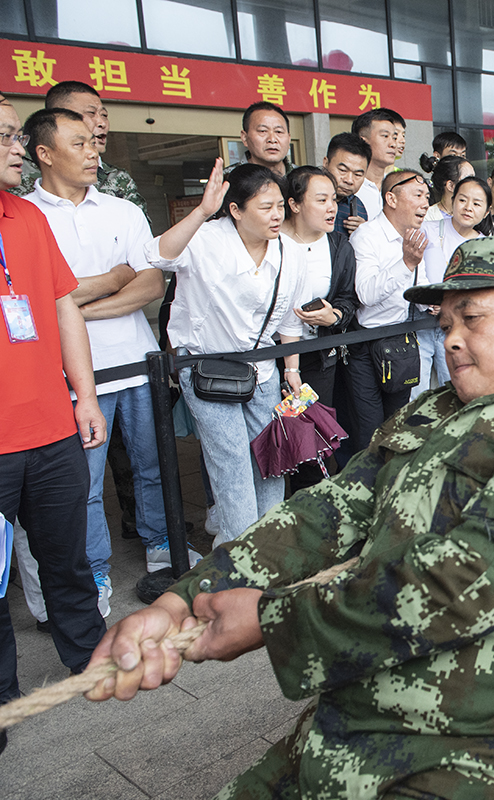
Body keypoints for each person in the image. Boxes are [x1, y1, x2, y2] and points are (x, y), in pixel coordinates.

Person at [86, 237, 494, 799]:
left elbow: (473, 577)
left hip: (473, 752)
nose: (451, 339)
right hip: (349, 715)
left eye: (471, 318)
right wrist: (181, 601)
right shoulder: (436, 410)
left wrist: (271, 620)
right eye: (444, 321)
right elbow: (327, 511)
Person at [23, 107, 184, 617]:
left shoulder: (122, 210)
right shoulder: (26, 215)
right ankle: (94, 571)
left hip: (137, 362)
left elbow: (151, 281)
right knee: (84, 483)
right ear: (43, 153)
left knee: (153, 465)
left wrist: (70, 305)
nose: (95, 151)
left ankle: (162, 545)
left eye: (95, 142)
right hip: (70, 374)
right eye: (80, 143)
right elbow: (33, 298)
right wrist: (112, 278)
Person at [0, 94, 108, 753]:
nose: (17, 147)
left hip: (52, 431)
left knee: (66, 558)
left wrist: (85, 397)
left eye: (17, 135)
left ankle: (88, 656)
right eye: (7, 136)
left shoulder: (28, 218)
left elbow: (64, 306)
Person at [147, 161, 305, 547]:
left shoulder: (291, 252)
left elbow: (288, 319)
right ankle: (240, 553)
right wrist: (201, 211)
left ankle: (269, 544)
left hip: (263, 370)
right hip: (206, 369)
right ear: (235, 209)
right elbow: (158, 255)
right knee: (231, 463)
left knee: (273, 459)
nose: (276, 215)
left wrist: (292, 372)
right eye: (265, 207)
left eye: (280, 206)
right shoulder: (206, 239)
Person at [279, 166, 359, 490]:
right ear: (294, 204)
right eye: (321, 199)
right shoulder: (274, 242)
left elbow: (348, 299)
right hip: (275, 359)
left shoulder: (339, 245)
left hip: (318, 357)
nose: (332, 208)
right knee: (278, 436)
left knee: (313, 436)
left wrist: (335, 316)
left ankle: (315, 503)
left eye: (335, 200)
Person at [346, 169, 429, 454]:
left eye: (427, 197)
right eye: (418, 195)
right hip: (365, 345)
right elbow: (366, 294)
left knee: (398, 424)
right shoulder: (366, 236)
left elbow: (421, 291)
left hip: (400, 341)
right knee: (370, 430)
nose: (425, 203)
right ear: (391, 198)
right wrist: (406, 263)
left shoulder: (418, 236)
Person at [13, 81, 148, 216]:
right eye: (91, 113)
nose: (102, 123)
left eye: (104, 115)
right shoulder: (16, 170)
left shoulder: (117, 178)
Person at [416, 176, 491, 395]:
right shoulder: (428, 229)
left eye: (477, 204)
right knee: (417, 391)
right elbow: (414, 269)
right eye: (462, 200)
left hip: (458, 328)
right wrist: (429, 301)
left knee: (456, 388)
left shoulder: (484, 245)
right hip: (420, 323)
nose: (468, 208)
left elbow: (481, 290)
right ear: (452, 200)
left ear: (486, 212)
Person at [352, 107, 406, 221]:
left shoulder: (398, 186)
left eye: (394, 137)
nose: (393, 144)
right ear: (363, 141)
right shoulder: (350, 187)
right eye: (385, 136)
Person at [322, 132, 372, 236]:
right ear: (326, 163)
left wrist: (363, 234)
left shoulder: (359, 207)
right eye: (343, 170)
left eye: (357, 174)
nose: (349, 180)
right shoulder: (306, 198)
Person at [227, 101, 290, 177]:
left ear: (289, 139)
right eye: (262, 131)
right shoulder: (227, 179)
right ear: (244, 138)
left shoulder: (305, 178)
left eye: (279, 131)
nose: (272, 139)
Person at [424, 155, 474, 225]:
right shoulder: (428, 218)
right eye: (468, 179)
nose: (475, 184)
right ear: (451, 186)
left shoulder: (477, 213)